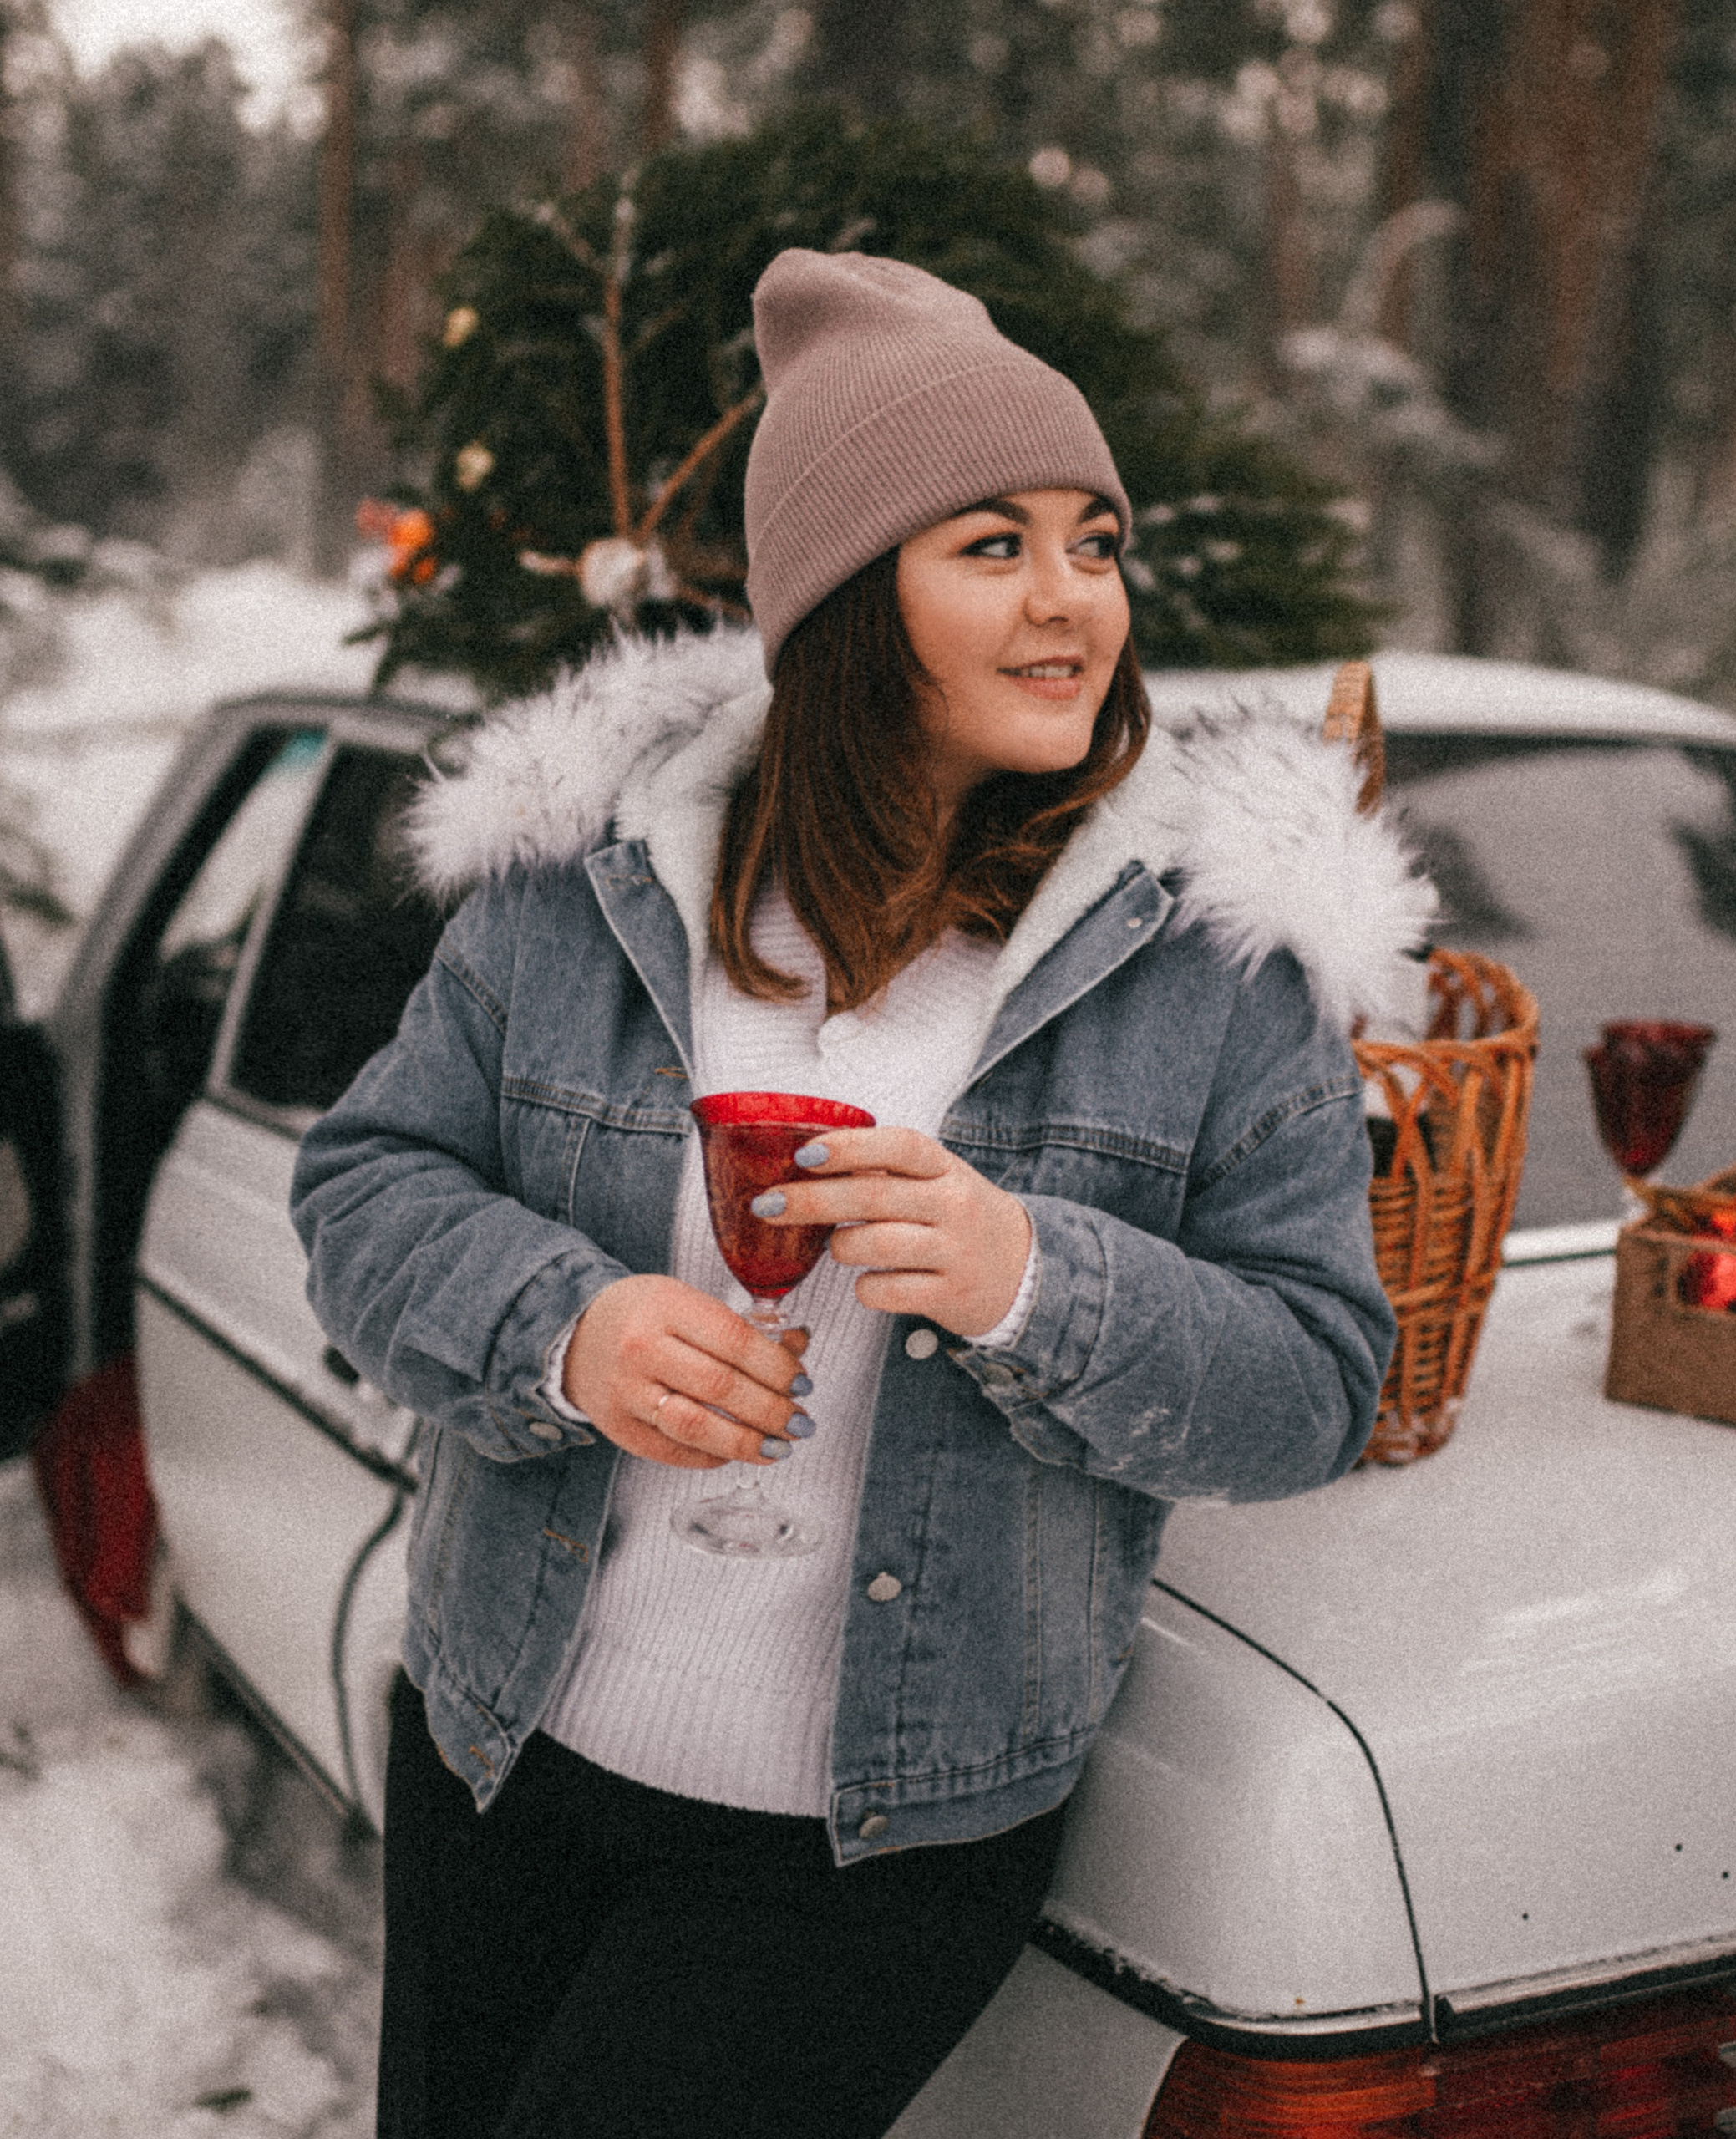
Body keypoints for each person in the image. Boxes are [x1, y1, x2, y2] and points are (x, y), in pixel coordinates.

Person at [292, 248, 1433, 2139]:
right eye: (991, 543)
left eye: (1094, 539)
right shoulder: (588, 892)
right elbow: (364, 1184)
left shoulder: (1212, 972)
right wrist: (562, 1330)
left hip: (870, 1836)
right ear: (836, 595)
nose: (1071, 599)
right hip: (500, 1746)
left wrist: (1027, 1278)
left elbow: (1318, 1379)